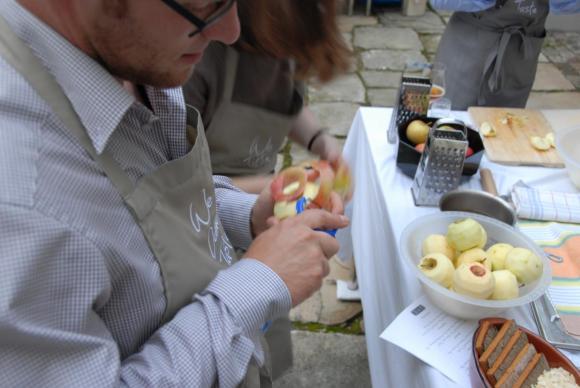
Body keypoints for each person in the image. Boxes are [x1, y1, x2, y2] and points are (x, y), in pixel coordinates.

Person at [0, 0, 349, 386]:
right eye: (207, 4)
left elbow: (154, 197)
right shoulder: (21, 199)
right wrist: (258, 282)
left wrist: (247, 214)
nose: (230, 31)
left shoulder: (135, 56)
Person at [183, 0, 351, 193]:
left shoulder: (286, 45)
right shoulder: (200, 62)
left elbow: (288, 106)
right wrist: (288, 184)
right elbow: (183, 190)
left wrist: (320, 140)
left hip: (264, 191)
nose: (285, 59)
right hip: (202, 210)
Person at [430, 0, 580, 110]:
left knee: (507, 130)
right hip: (467, 52)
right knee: (449, 132)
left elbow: (570, 5)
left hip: (520, 55)